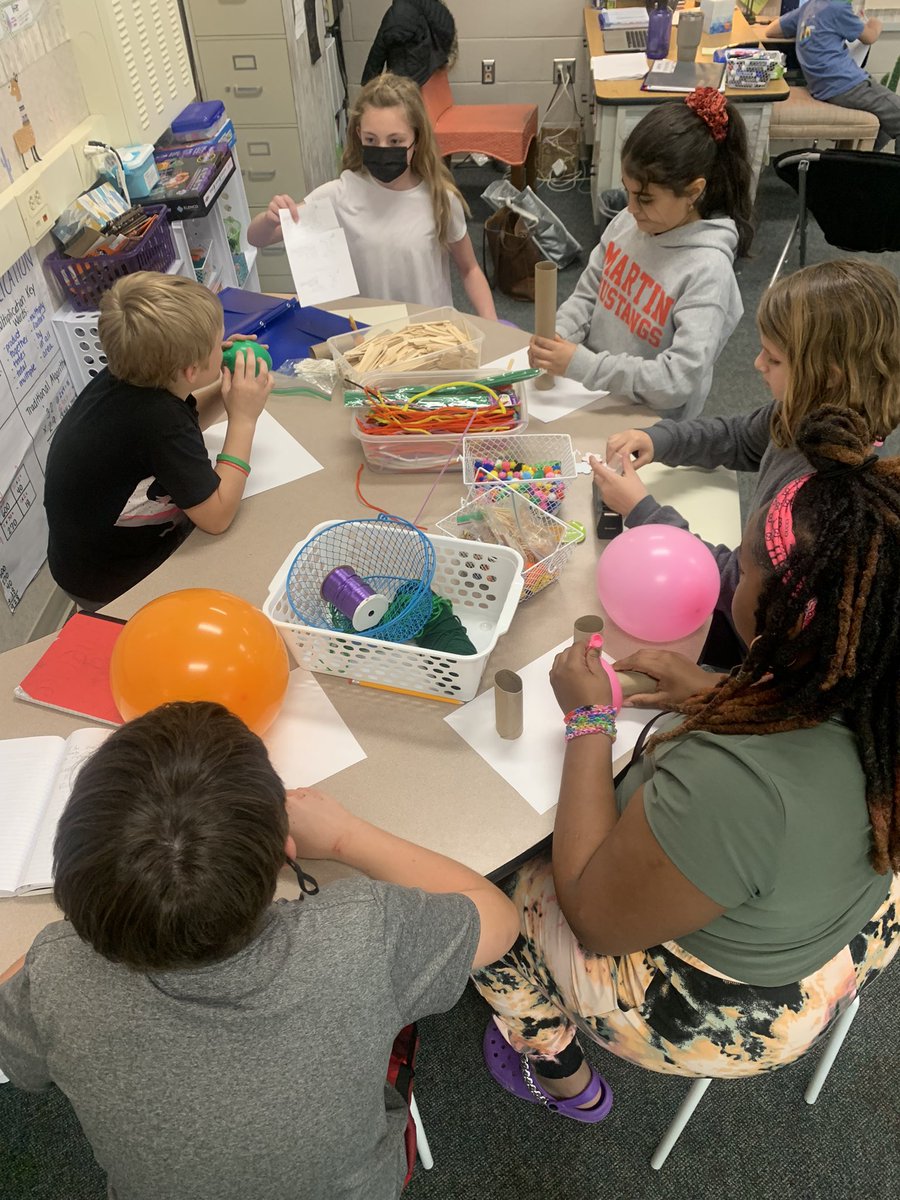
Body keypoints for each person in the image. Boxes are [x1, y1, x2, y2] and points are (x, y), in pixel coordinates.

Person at [472, 406, 900, 1118]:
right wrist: (715, 689)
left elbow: (594, 919)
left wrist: (588, 721)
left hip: (726, 1009)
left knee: (482, 896)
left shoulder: (737, 783)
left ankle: (560, 1067)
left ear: (783, 615)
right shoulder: (873, 681)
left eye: (745, 569)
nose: (732, 579)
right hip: (844, 928)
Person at [0, 701, 518, 1200]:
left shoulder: (55, 975)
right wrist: (345, 837)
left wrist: (91, 924)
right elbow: (500, 920)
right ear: (284, 852)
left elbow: (20, 1060)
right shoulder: (363, 933)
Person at [591, 259, 900, 668]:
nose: (756, 364)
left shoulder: (822, 501)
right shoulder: (800, 412)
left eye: (773, 358)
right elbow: (738, 437)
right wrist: (660, 439)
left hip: (752, 645)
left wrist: (641, 511)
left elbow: (737, 583)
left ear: (828, 376)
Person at [43, 272, 272, 610]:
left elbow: (181, 427)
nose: (224, 345)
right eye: (217, 343)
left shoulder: (131, 374)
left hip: (82, 557)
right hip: (114, 582)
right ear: (191, 370)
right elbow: (217, 517)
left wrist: (226, 387)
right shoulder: (159, 420)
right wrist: (243, 419)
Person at [528, 88, 752, 420]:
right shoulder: (627, 223)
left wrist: (583, 365)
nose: (631, 208)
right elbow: (588, 295)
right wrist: (560, 333)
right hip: (595, 394)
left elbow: (675, 381)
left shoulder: (708, 271)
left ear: (693, 192)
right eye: (628, 191)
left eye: (645, 199)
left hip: (649, 426)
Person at [247, 73, 497, 319]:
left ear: (417, 138)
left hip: (430, 334)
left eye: (395, 141)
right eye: (371, 139)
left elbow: (469, 269)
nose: (383, 149)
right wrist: (270, 219)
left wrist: (493, 323)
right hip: (370, 336)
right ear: (359, 135)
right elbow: (257, 238)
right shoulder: (340, 195)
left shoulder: (440, 199)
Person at [762, 0, 900, 153]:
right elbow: (870, 36)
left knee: (887, 123)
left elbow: (771, 30)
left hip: (822, 87)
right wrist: (875, 22)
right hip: (846, 85)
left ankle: (863, 162)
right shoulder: (838, 7)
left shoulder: (809, 7)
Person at [362, 0, 457, 87]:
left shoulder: (397, 13)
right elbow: (447, 30)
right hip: (433, 62)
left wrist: (368, 84)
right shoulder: (436, 7)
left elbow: (377, 51)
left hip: (410, 72)